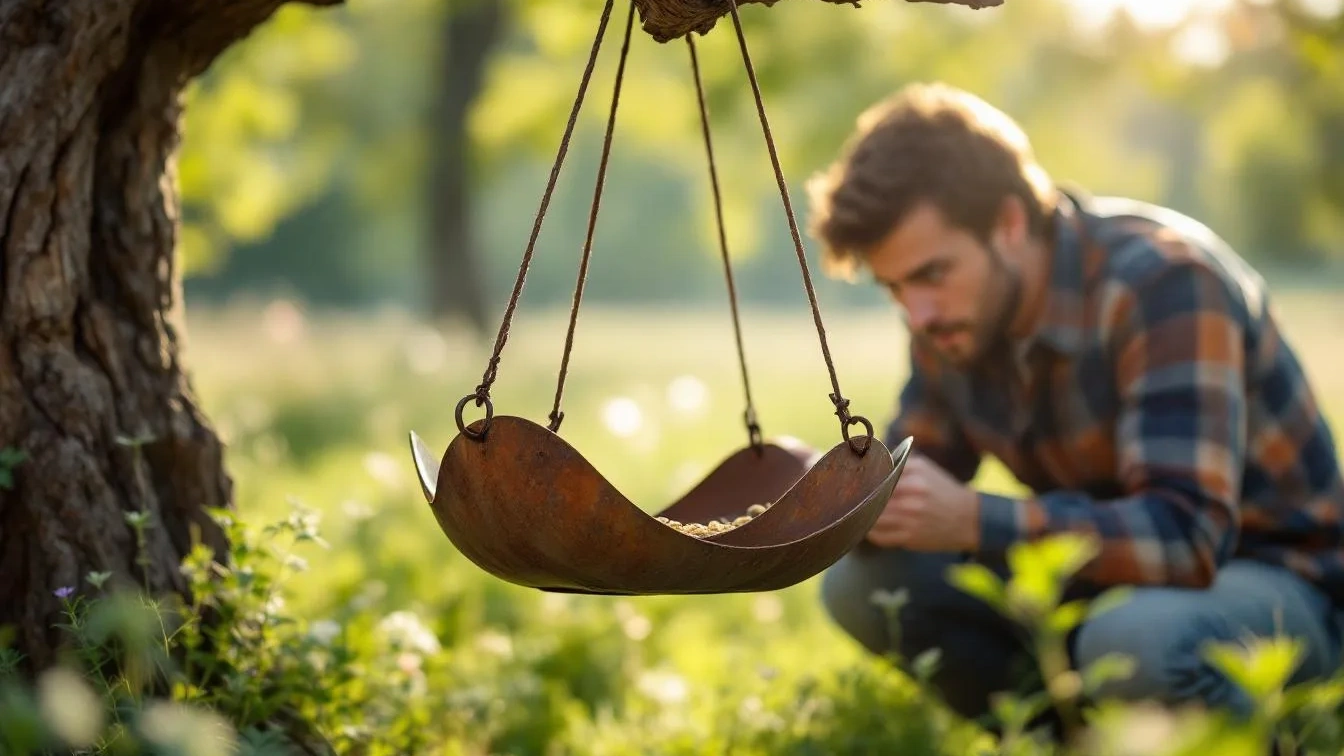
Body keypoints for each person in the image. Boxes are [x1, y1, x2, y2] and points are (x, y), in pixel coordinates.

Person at [804, 82, 1344, 726]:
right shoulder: (952, 319)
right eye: (893, 286)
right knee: (866, 585)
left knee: (1131, 641)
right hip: (1106, 589)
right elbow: (916, 480)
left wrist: (974, 520)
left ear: (1007, 224)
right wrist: (824, 500)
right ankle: (1064, 740)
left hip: (1274, 584)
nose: (914, 313)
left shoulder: (1163, 282)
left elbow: (1188, 539)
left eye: (930, 274)